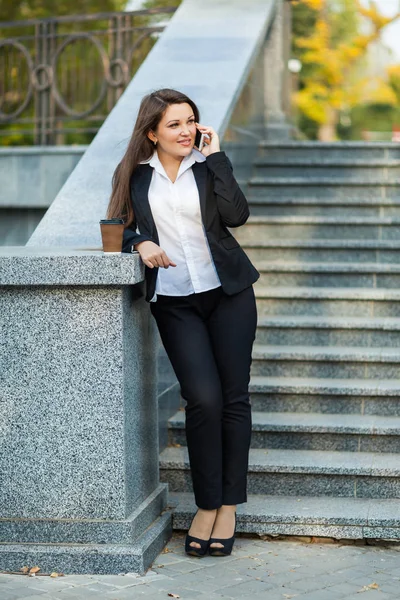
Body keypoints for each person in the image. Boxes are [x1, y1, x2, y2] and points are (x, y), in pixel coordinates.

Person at [107, 88, 259, 557]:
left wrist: (217, 159)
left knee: (232, 399)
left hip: (229, 294)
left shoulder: (206, 164)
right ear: (151, 132)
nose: (185, 130)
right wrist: (138, 243)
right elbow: (115, 223)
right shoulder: (134, 176)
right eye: (174, 124)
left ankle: (224, 508)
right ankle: (206, 501)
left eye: (190, 121)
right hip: (174, 301)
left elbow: (237, 215)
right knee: (204, 400)